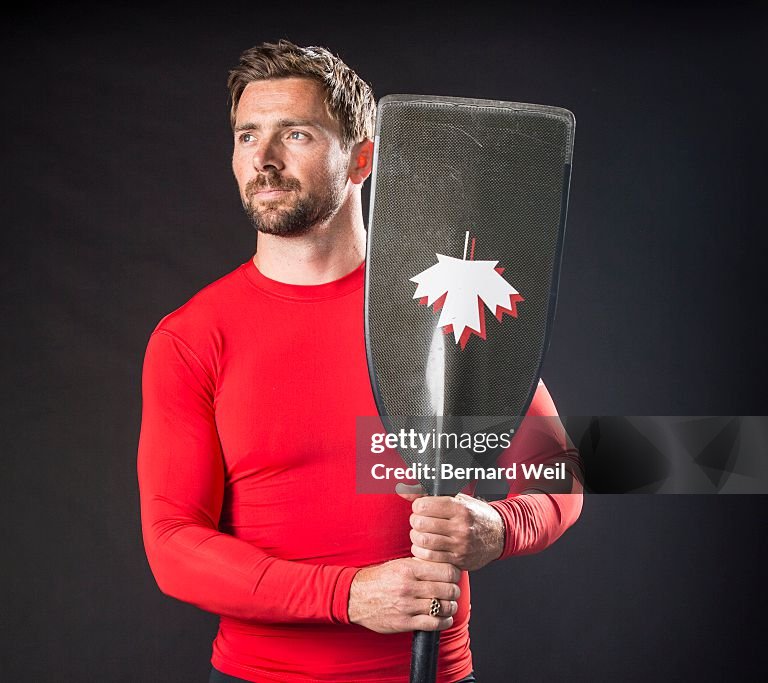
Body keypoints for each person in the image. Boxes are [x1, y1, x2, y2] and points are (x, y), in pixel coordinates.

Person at [137, 39, 583, 683]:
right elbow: (174, 543)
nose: (263, 159)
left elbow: (558, 476)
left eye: (296, 134)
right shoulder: (192, 336)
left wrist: (496, 527)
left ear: (363, 158)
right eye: (246, 136)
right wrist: (347, 596)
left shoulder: (445, 306)